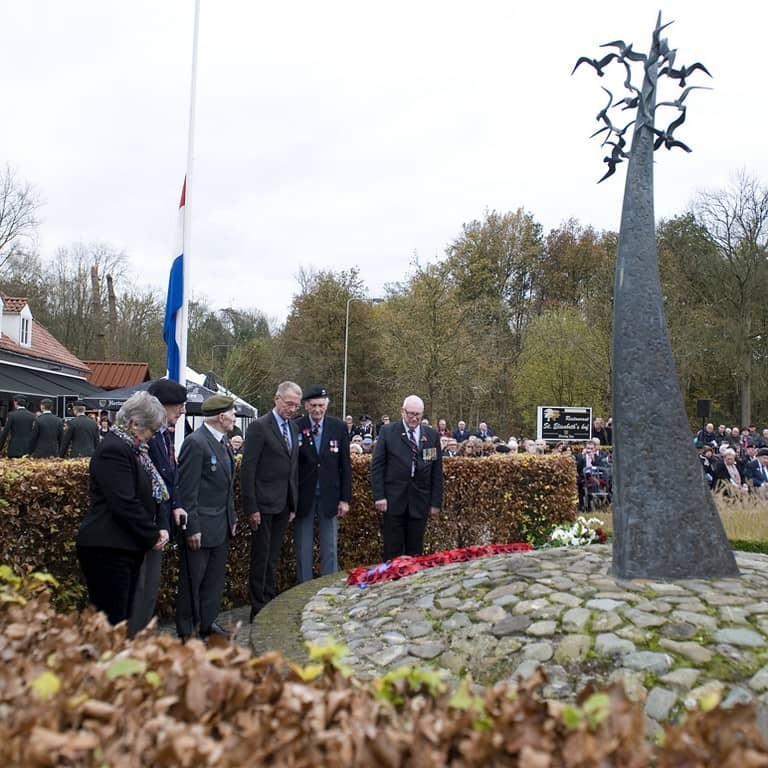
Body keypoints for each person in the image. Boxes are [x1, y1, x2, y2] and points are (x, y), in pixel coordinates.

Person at [75, 392, 168, 626]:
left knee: (121, 619)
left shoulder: (134, 450)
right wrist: (151, 533)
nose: (152, 437)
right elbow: (123, 502)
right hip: (107, 547)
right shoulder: (114, 450)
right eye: (152, 431)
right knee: (112, 622)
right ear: (135, 424)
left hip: (122, 546)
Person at [175, 394, 238, 641]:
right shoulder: (196, 443)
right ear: (221, 417)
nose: (234, 418)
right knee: (193, 581)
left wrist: (231, 517)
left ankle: (206, 623)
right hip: (201, 526)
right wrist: (192, 528)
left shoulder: (222, 443)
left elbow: (227, 487)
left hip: (220, 526)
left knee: (213, 581)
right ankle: (187, 630)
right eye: (232, 414)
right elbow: (187, 490)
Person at [128, 379, 188, 636]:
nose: (182, 411)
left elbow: (167, 481)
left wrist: (174, 509)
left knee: (150, 589)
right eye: (178, 407)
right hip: (144, 528)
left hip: (158, 526)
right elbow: (148, 487)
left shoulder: (164, 437)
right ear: (161, 408)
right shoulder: (144, 442)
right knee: (139, 591)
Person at [240, 381, 301, 620]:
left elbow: (292, 467)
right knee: (260, 557)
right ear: (276, 399)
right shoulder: (259, 427)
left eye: (296, 406)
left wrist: (293, 503)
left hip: (284, 504)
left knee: (273, 556)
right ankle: (258, 606)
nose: (292, 409)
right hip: (263, 504)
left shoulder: (293, 429)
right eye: (289, 404)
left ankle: (268, 598)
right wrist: (251, 507)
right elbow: (248, 469)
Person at [371, 394, 443, 561]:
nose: (414, 418)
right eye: (410, 413)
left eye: (418, 414)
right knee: (392, 551)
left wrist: (435, 502)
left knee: (415, 553)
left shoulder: (431, 436)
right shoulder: (388, 432)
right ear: (402, 411)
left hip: (420, 502)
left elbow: (436, 471)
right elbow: (377, 466)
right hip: (393, 500)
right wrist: (379, 496)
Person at [294, 386, 352, 583]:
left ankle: (329, 587)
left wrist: (345, 499)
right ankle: (303, 589)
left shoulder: (338, 427)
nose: (317, 410)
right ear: (306, 406)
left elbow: (345, 465)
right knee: (303, 548)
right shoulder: (296, 426)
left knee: (330, 547)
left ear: (326, 406)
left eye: (320, 405)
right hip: (304, 497)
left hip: (330, 496)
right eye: (313, 406)